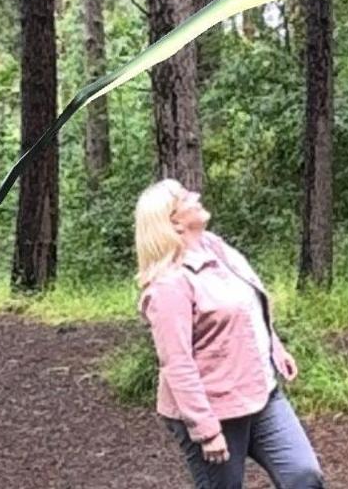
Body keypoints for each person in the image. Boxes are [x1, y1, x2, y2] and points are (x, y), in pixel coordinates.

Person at [134, 178, 325, 489]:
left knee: (303, 476)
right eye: (184, 198)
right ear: (174, 223)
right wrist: (206, 431)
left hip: (262, 394)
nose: (195, 195)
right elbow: (177, 364)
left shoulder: (215, 246)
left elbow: (248, 305)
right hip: (213, 410)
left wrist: (274, 347)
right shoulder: (169, 286)